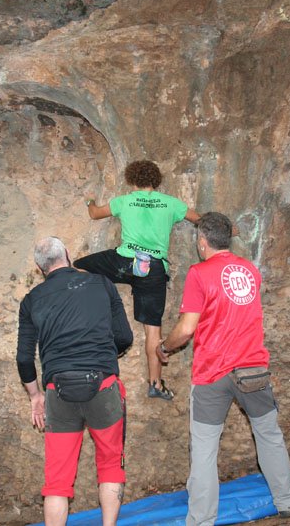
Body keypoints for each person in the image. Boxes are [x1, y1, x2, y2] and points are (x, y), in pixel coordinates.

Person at [156, 212, 290, 524]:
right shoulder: (250, 270)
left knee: (204, 448)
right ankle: (289, 501)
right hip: (252, 369)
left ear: (202, 241)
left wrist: (164, 347)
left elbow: (186, 329)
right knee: (268, 435)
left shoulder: (199, 273)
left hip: (211, 373)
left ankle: (201, 519)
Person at [17, 236, 133, 526]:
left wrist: (35, 396)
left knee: (57, 481)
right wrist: (104, 354)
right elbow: (124, 336)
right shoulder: (102, 284)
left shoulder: (31, 300)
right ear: (67, 254)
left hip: (59, 391)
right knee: (110, 464)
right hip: (102, 385)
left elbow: (24, 359)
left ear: (40, 268)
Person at [75, 159, 199, 401]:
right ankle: (155, 384)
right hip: (153, 268)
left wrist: (89, 200)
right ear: (156, 180)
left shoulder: (125, 201)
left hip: (125, 261)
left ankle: (92, 310)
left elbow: (95, 213)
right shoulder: (170, 203)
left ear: (132, 180)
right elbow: (198, 219)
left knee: (77, 267)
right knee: (153, 329)